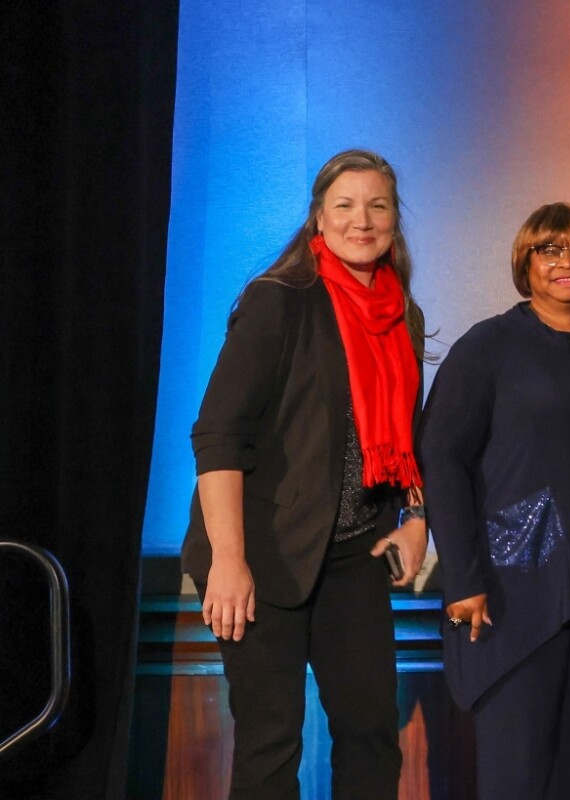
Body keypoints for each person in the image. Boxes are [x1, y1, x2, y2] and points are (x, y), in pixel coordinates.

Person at [183, 148, 429, 798]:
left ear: (394, 220)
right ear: (319, 218)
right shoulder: (279, 302)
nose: (362, 220)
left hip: (351, 557)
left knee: (373, 731)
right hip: (260, 551)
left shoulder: (403, 315)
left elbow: (411, 438)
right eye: (345, 205)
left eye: (378, 205)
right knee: (271, 743)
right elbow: (217, 435)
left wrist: (417, 519)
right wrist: (229, 562)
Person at [419, 203, 570, 799]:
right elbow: (443, 461)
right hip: (514, 594)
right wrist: (463, 578)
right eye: (549, 249)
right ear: (524, 263)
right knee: (517, 778)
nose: (567, 262)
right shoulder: (488, 347)